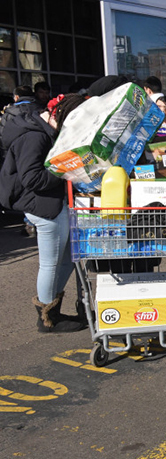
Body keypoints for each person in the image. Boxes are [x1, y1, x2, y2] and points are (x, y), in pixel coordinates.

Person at [0, 93, 89, 332]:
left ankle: (52, 309)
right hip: (43, 206)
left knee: (68, 257)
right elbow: (32, 178)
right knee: (51, 263)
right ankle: (48, 318)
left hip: (48, 203)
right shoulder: (35, 136)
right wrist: (66, 170)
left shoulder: (39, 130)